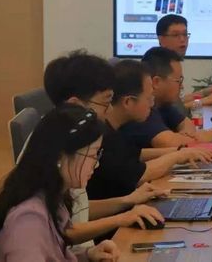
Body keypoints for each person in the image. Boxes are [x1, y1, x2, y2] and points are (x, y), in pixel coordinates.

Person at [43, 50, 166, 244]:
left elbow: (77, 210)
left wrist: (127, 201)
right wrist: (121, 218)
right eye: (106, 102)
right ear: (75, 104)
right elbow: (63, 231)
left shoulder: (75, 138)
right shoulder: (55, 147)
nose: (109, 110)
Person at [0, 105, 121, 261]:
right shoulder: (27, 221)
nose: (97, 164)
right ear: (60, 157)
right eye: (93, 154)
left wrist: (88, 255)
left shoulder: (51, 196)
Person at [86, 59, 212, 202]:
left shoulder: (117, 127)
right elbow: (140, 173)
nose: (152, 104)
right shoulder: (102, 136)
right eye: (149, 98)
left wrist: (182, 151)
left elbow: (135, 154)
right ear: (128, 102)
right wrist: (176, 156)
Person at [120, 47, 212, 149]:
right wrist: (198, 139)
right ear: (156, 82)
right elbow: (167, 142)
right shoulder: (140, 107)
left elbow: (187, 124)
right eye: (178, 81)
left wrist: (184, 138)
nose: (182, 86)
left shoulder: (163, 104)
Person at [156, 14, 212, 106]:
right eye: (175, 35)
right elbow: (167, 110)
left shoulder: (173, 62)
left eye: (185, 34)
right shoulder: (156, 65)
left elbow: (179, 101)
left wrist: (210, 90)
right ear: (161, 39)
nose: (182, 39)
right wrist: (204, 101)